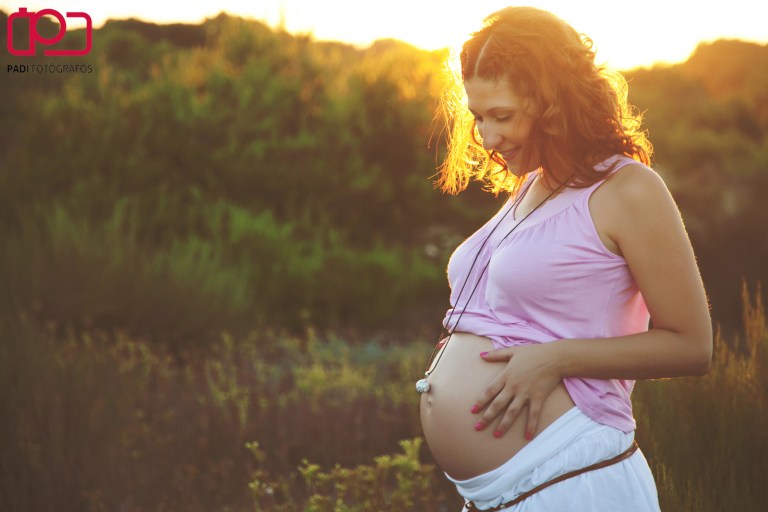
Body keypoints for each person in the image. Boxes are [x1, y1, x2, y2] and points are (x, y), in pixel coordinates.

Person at [418, 6, 713, 511]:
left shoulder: (628, 189)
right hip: (504, 495)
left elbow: (691, 345)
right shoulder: (529, 186)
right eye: (478, 117)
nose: (487, 138)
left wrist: (555, 359)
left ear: (554, 101)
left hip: (575, 481)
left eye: (503, 116)